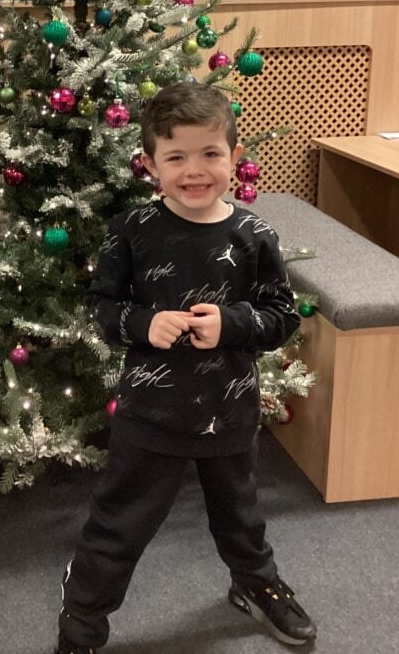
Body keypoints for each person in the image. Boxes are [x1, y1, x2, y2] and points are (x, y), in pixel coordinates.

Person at [56, 82, 317, 654]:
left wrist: (234, 324)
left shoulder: (254, 235)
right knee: (117, 526)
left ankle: (255, 584)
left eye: (210, 154)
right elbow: (102, 307)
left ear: (234, 156)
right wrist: (142, 323)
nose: (194, 171)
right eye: (176, 157)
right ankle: (82, 624)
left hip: (230, 414)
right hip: (150, 417)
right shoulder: (133, 231)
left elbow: (281, 317)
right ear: (150, 164)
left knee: (242, 518)